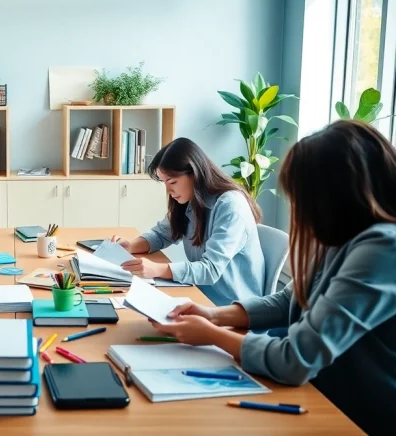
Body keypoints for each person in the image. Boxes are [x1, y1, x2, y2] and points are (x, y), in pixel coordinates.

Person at [151, 120, 396, 436]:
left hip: (357, 414)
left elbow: (297, 358)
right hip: (319, 393)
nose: (300, 207)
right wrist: (213, 315)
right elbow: (289, 299)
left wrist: (213, 334)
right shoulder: (346, 236)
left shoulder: (382, 248)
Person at [112, 137, 265, 305]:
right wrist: (131, 246)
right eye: (164, 183)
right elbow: (161, 235)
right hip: (198, 294)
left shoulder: (230, 206)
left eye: (172, 182)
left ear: (194, 173)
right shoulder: (190, 199)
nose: (169, 190)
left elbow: (210, 270)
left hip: (232, 307)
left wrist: (157, 269)